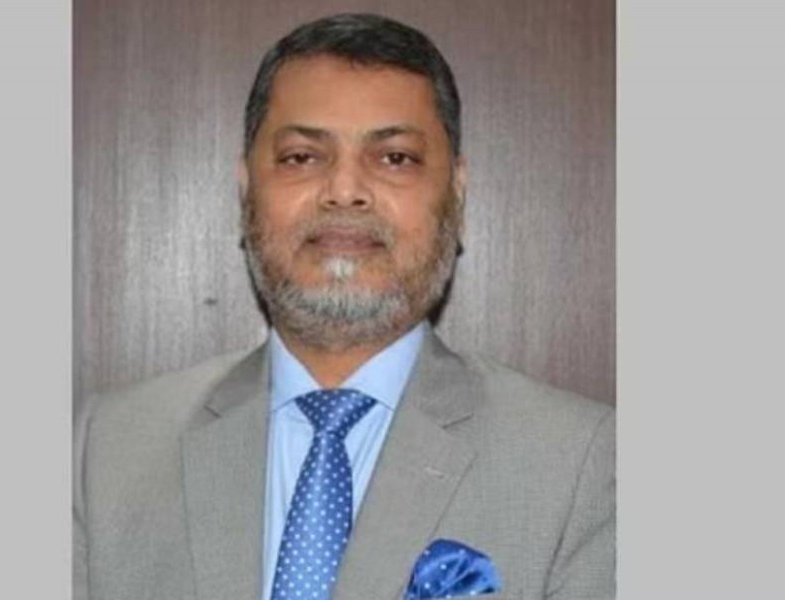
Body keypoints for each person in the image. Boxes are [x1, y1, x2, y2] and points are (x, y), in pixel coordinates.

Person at [74, 13, 615, 600]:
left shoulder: (581, 464)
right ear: (246, 189)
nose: (344, 191)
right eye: (302, 157)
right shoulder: (106, 451)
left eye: (395, 158)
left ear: (456, 196)